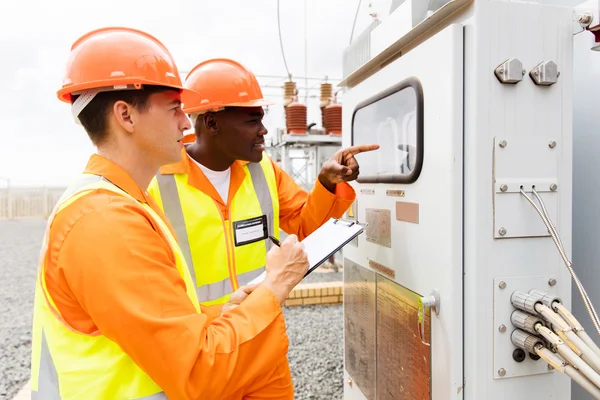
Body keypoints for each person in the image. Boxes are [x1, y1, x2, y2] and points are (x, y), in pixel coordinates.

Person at [30, 27, 309, 400]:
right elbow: (197, 371)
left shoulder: (122, 204)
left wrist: (221, 315)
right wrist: (275, 285)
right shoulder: (106, 223)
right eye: (175, 108)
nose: (184, 123)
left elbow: (157, 332)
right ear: (126, 116)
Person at [147, 58, 379, 311]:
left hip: (260, 333)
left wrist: (326, 183)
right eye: (252, 120)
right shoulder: (156, 183)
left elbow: (304, 229)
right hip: (199, 341)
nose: (264, 130)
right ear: (212, 123)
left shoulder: (264, 170)